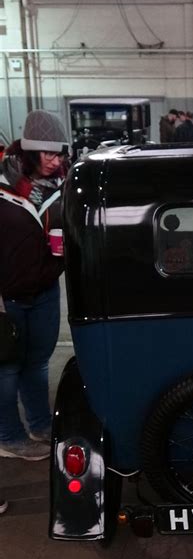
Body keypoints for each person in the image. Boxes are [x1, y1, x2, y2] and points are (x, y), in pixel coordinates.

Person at [0, 110, 70, 461]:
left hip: (44, 289)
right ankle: (9, 436)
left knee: (38, 362)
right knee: (7, 368)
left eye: (59, 154)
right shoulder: (3, 186)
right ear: (29, 151)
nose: (55, 161)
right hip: (6, 296)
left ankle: (40, 425)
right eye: (48, 154)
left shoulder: (61, 186)